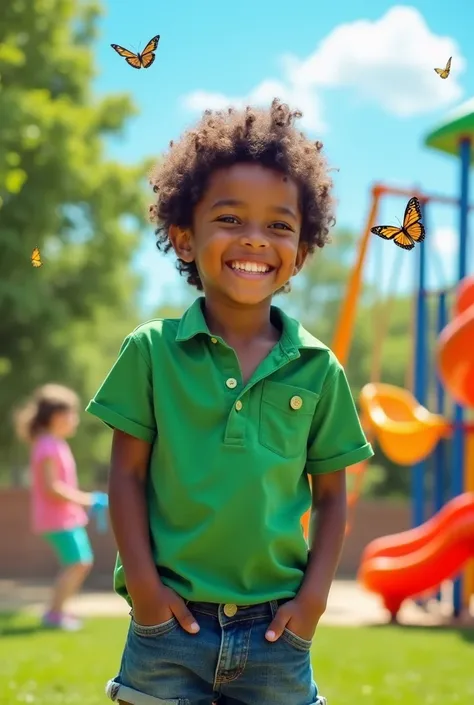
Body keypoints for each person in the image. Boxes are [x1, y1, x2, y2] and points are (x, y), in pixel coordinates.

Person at [87, 98, 374, 705]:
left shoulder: (319, 368)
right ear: (185, 239)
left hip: (277, 633)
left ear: (300, 252)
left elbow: (331, 498)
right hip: (168, 626)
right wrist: (144, 590)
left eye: (279, 225)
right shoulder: (151, 352)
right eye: (230, 219)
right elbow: (127, 476)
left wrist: (313, 600)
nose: (255, 239)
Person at [14, 384, 94, 631]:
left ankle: (58, 612)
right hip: (57, 518)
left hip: (64, 517)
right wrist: (87, 500)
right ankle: (54, 614)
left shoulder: (54, 443)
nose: (76, 420)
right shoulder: (47, 445)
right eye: (73, 413)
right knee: (79, 562)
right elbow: (52, 487)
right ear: (58, 416)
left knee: (79, 562)